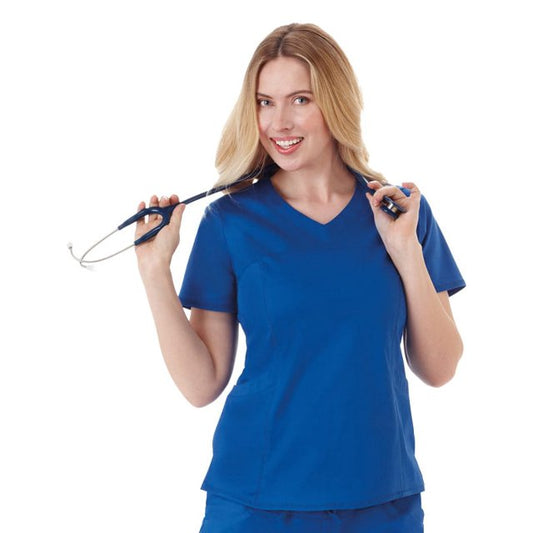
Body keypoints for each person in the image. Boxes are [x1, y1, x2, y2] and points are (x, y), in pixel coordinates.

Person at [134, 23, 465, 533]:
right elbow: (202, 385)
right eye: (264, 102)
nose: (278, 122)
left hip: (382, 500)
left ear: (336, 102)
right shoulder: (230, 221)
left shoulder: (400, 214)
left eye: (300, 100)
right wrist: (155, 272)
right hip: (257, 503)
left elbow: (440, 368)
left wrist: (405, 251)